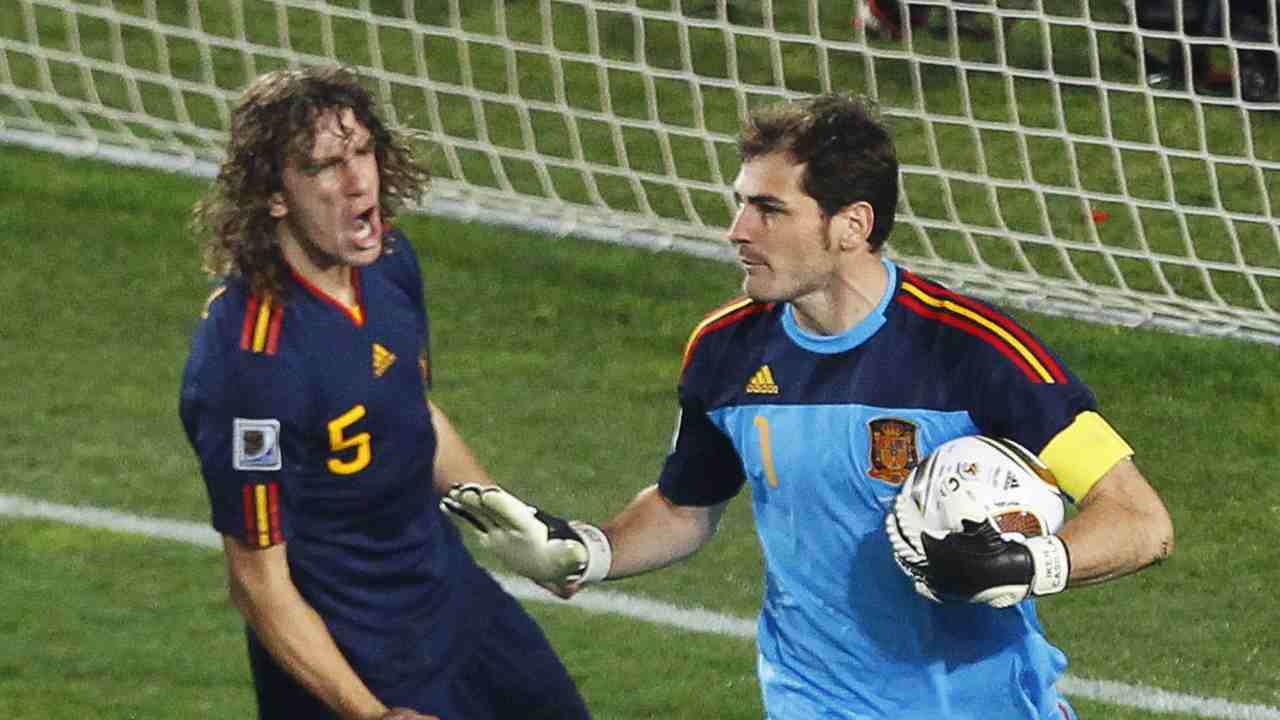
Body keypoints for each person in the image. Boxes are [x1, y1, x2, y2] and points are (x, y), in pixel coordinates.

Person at [442, 92, 1175, 719]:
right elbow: (685, 506)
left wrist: (1026, 562)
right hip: (809, 702)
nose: (737, 231)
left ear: (851, 224)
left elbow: (1139, 521)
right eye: (740, 205)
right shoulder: (726, 351)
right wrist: (587, 550)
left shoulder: (974, 352)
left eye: (768, 209)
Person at [178, 65, 592, 720]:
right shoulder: (252, 364)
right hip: (352, 654)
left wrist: (512, 525)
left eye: (364, 152)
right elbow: (257, 582)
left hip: (453, 601)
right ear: (274, 195)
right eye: (325, 167)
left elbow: (411, 417)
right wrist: (370, 714)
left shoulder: (391, 263)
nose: (358, 182)